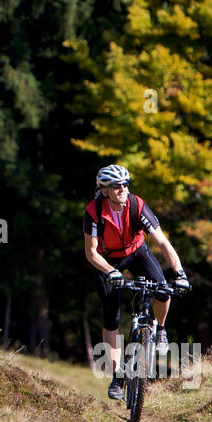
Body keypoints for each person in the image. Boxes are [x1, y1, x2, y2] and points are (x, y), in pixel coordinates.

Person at [82, 164, 189, 401]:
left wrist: (180, 273)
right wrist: (110, 271)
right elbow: (91, 253)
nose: (122, 189)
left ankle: (160, 330)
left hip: (136, 251)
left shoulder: (137, 205)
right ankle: (117, 377)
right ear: (105, 190)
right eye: (116, 186)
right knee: (112, 317)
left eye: (125, 184)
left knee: (162, 289)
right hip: (106, 260)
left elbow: (162, 242)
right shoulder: (93, 211)